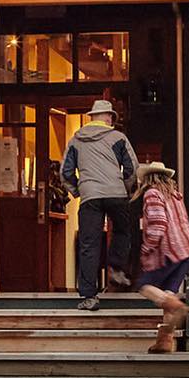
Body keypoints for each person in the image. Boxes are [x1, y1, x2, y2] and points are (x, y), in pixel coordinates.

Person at [61, 99, 138, 311]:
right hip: (116, 193)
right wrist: (126, 189)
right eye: (111, 117)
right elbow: (132, 168)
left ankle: (89, 296)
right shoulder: (118, 137)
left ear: (92, 117)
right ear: (108, 117)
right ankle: (116, 267)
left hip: (89, 197)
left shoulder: (75, 140)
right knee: (123, 231)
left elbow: (65, 173)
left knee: (88, 245)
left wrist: (79, 190)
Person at [133, 162, 189, 354]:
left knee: (144, 286)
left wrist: (147, 248)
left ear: (147, 178)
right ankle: (164, 342)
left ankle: (177, 307)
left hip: (168, 251)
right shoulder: (175, 195)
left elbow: (158, 224)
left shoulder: (152, 194)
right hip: (185, 250)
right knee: (168, 292)